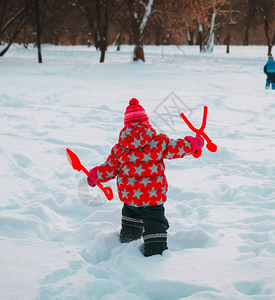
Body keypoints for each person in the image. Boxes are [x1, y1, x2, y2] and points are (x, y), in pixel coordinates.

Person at [87, 98, 204, 257]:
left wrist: (95, 176)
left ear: (126, 125)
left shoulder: (120, 149)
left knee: (131, 219)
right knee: (155, 224)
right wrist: (193, 144)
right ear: (146, 123)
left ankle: (128, 240)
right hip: (153, 197)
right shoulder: (158, 142)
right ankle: (155, 251)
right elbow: (177, 148)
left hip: (131, 197)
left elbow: (109, 169)